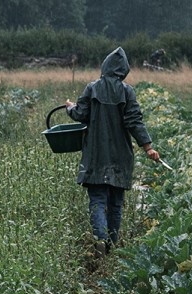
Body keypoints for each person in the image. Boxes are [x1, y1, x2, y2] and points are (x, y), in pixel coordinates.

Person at [64, 47, 161, 246]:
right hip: (120, 156)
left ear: (105, 66)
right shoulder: (127, 91)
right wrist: (148, 147)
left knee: (97, 200)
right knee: (116, 204)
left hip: (96, 155)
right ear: (123, 70)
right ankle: (112, 244)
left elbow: (80, 114)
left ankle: (100, 239)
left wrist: (69, 107)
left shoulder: (92, 88)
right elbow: (135, 122)